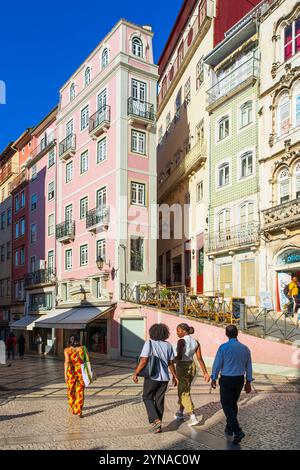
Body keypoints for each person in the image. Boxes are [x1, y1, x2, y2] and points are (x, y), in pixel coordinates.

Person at [211, 325, 253, 445]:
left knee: (226, 404)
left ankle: (237, 430)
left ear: (226, 334)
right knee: (233, 403)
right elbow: (249, 366)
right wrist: (248, 381)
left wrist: (214, 377)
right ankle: (229, 428)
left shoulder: (223, 348)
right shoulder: (245, 348)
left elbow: (217, 364)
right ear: (237, 333)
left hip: (227, 380)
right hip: (239, 380)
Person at [133, 323, 179, 434]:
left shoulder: (149, 343)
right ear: (165, 333)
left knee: (147, 397)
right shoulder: (168, 345)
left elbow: (144, 360)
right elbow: (171, 362)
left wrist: (136, 373)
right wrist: (175, 376)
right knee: (159, 400)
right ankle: (158, 427)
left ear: (152, 332)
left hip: (153, 376)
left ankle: (156, 420)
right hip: (164, 378)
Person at [174, 323, 210, 426]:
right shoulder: (196, 342)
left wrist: (171, 360)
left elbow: (179, 357)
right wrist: (205, 373)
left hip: (182, 367)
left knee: (184, 391)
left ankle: (192, 416)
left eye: (178, 331)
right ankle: (180, 412)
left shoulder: (181, 341)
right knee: (185, 389)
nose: (177, 333)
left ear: (184, 331)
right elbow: (199, 358)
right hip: (192, 366)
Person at [64, 335, 89, 417]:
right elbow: (87, 360)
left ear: (70, 341)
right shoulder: (83, 348)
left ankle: (73, 407)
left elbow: (67, 361)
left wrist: (65, 373)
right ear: (78, 340)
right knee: (80, 391)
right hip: (81, 372)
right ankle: (79, 411)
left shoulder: (67, 350)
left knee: (71, 391)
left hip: (71, 373)